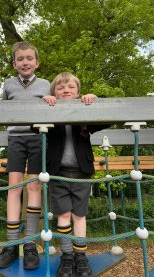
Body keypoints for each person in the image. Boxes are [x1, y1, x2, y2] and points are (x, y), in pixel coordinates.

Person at [0, 41, 50, 270]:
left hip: (38, 138)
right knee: (14, 187)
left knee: (34, 186)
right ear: (14, 63)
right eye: (20, 59)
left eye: (29, 58)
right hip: (16, 139)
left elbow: (57, 106)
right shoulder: (9, 84)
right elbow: (2, 109)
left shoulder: (46, 84)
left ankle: (29, 243)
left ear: (37, 62)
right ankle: (11, 244)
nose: (25, 62)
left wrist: (50, 102)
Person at [43, 72, 108, 277]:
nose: (66, 91)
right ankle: (67, 255)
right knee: (63, 215)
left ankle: (81, 255)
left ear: (78, 91)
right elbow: (32, 124)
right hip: (58, 172)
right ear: (54, 92)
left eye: (70, 87)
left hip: (81, 172)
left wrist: (95, 100)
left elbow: (107, 119)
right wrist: (43, 103)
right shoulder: (49, 111)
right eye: (60, 88)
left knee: (79, 215)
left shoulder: (85, 111)